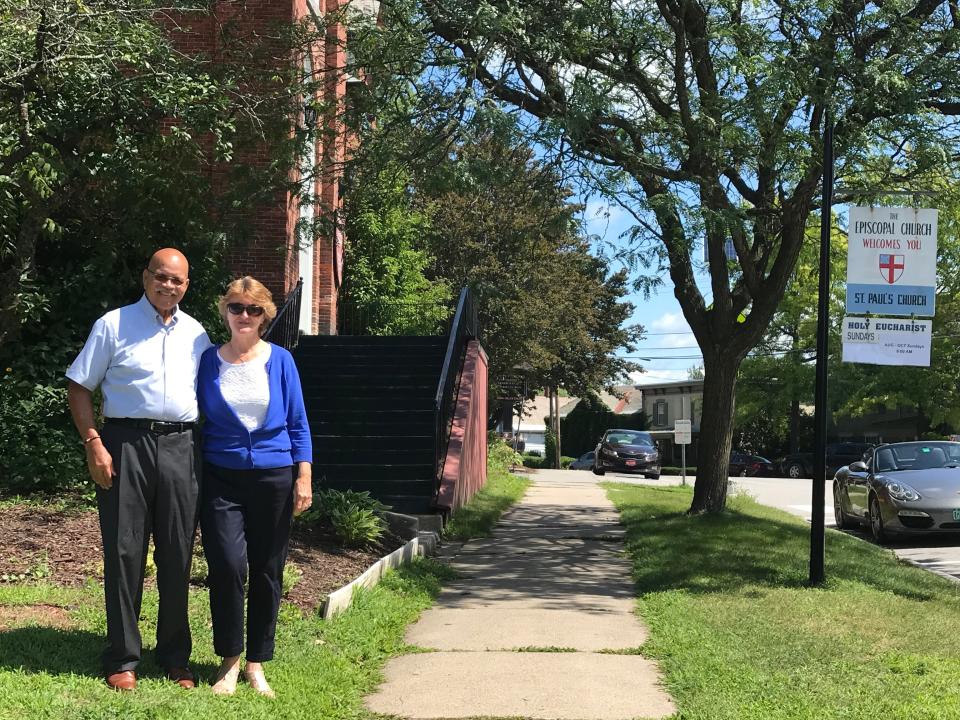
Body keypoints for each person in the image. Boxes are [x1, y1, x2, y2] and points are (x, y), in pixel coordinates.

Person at [66, 248, 211, 691]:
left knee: (177, 553)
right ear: (146, 277)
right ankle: (123, 657)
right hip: (125, 443)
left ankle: (174, 656)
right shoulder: (113, 324)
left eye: (178, 281)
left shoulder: (197, 334)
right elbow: (78, 386)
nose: (168, 286)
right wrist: (95, 444)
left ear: (187, 286)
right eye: (161, 277)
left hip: (182, 446)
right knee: (125, 552)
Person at [197, 276, 313, 697]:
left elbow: (298, 422)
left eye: (254, 309)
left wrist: (304, 475)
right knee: (227, 565)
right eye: (236, 307)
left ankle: (256, 664)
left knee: (267, 570)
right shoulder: (208, 361)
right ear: (224, 311)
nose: (244, 316)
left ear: (265, 316)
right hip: (220, 476)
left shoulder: (281, 360)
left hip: (274, 477)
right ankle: (228, 661)